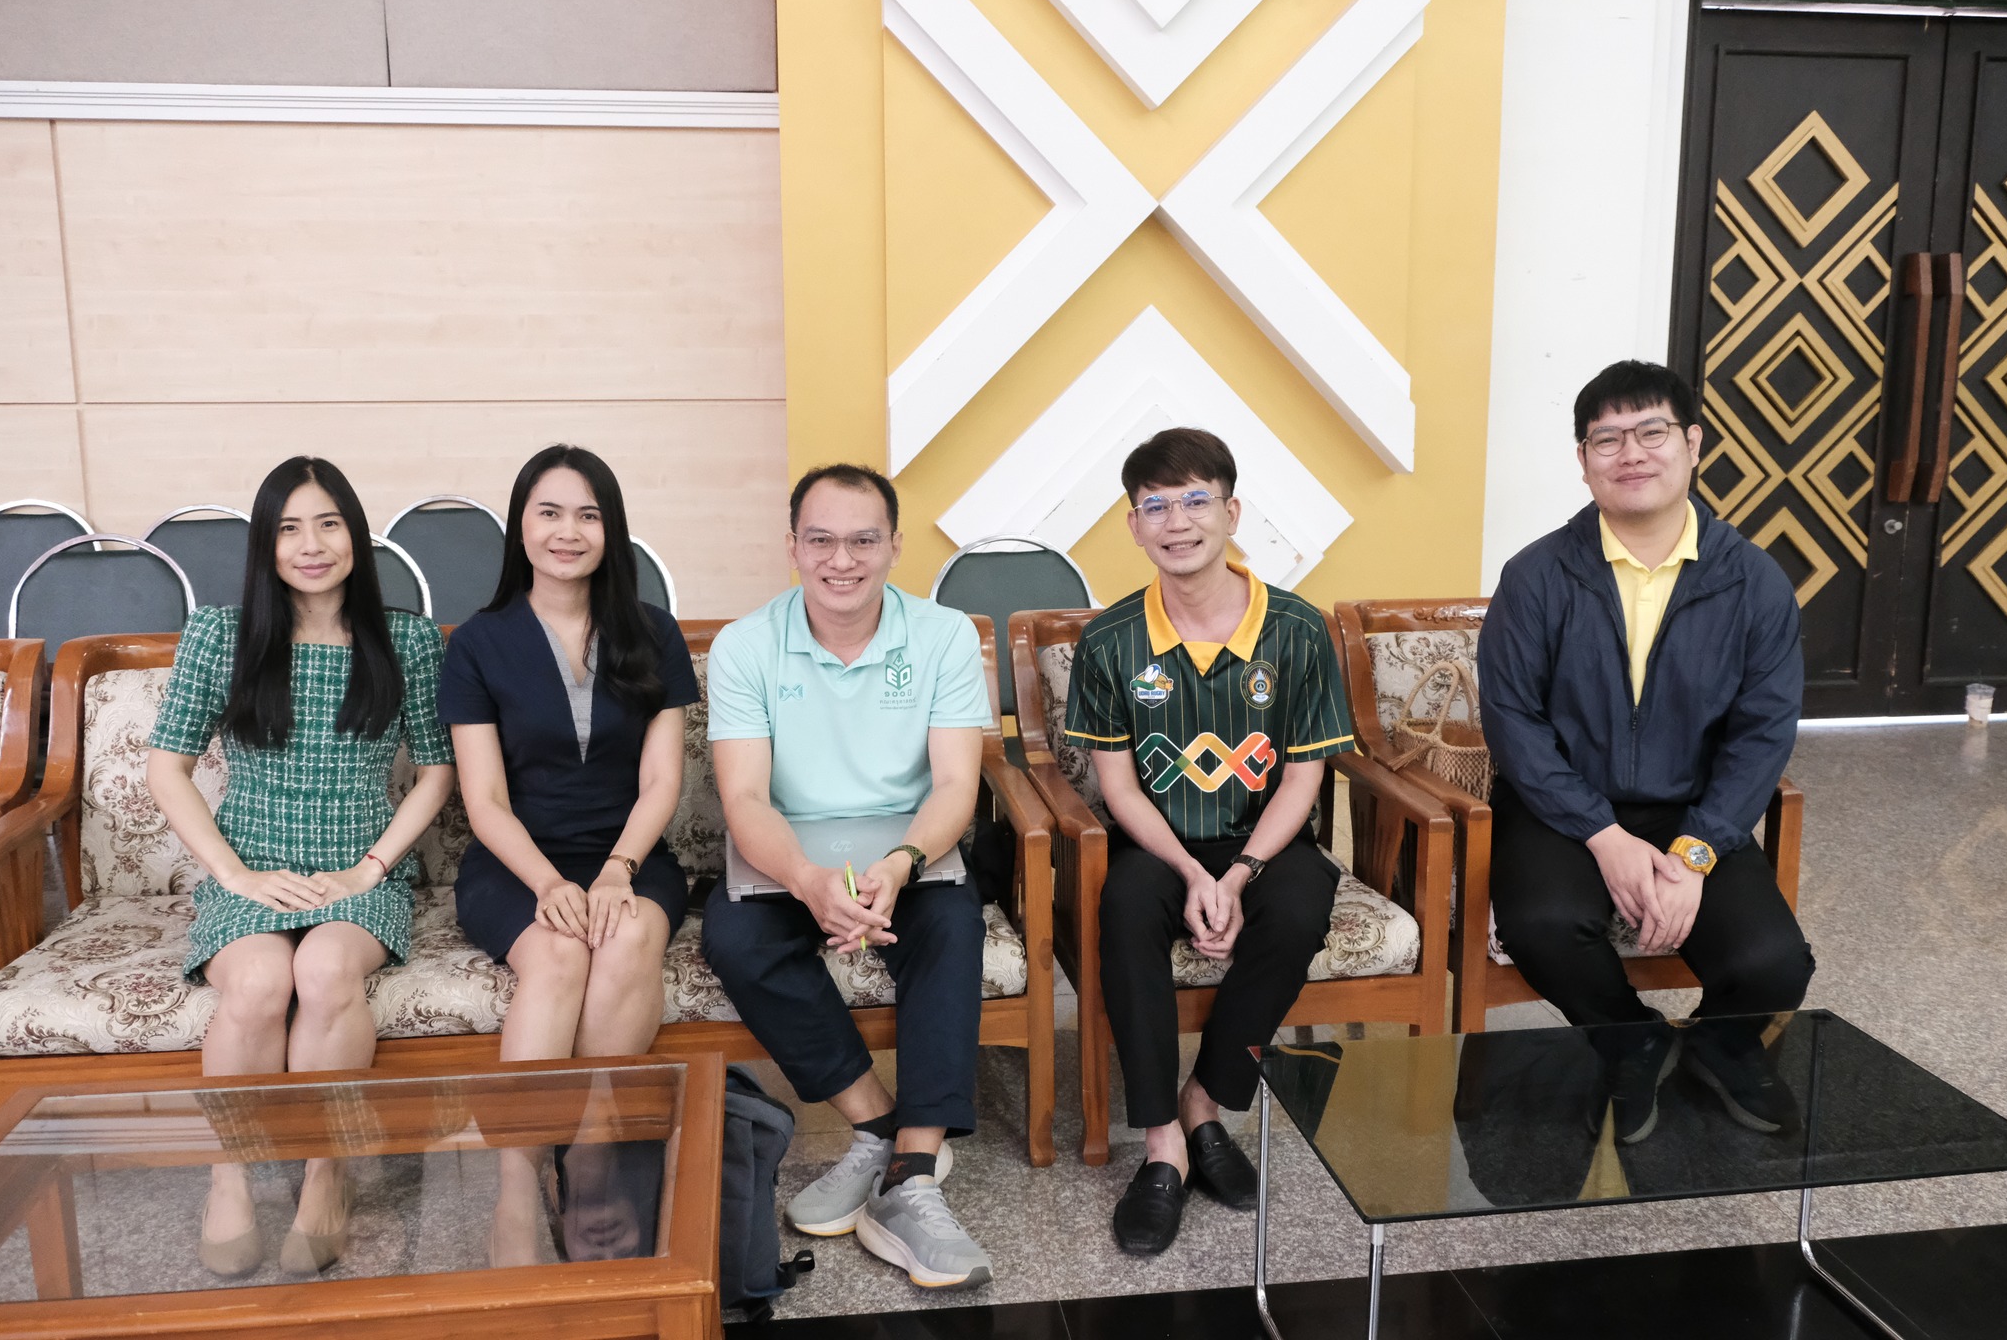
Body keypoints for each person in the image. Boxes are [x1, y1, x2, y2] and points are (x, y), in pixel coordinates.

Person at [1479, 359, 1815, 1145]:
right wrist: (1603, 835)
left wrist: (1694, 853)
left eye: (1651, 432)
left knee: (1775, 963)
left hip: (1691, 809)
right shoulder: (1536, 576)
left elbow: (1762, 733)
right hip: (1562, 807)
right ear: (1583, 460)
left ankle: (1721, 1048)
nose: (1630, 453)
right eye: (1607, 439)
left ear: (1693, 443)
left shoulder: (1754, 582)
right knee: (1543, 923)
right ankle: (1629, 1039)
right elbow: (1513, 721)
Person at [147, 456, 455, 1279]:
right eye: (289, 529)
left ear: (355, 534)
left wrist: (370, 869)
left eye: (328, 524)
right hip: (253, 867)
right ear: (266, 544)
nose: (311, 545)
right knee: (256, 984)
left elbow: (437, 770)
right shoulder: (221, 633)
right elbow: (167, 766)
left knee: (323, 972)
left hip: (359, 873)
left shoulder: (408, 640)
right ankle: (230, 1179)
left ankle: (327, 1174)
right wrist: (235, 876)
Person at [1063, 428, 1356, 1256]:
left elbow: (1302, 777)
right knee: (1125, 907)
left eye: (1196, 500)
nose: (1177, 521)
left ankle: (1207, 1103)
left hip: (1266, 840)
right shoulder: (1110, 641)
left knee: (1297, 908)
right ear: (1133, 526)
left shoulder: (1297, 630)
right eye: (1155, 506)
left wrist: (1242, 871)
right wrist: (1194, 872)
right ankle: (1163, 1143)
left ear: (1232, 512)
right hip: (1159, 844)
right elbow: (1119, 788)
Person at [702, 464, 994, 1291]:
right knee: (737, 937)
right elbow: (745, 798)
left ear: (894, 545)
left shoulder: (943, 636)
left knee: (952, 925)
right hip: (790, 852)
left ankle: (912, 1177)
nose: (842, 560)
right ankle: (878, 1127)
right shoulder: (746, 645)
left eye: (864, 540)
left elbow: (955, 785)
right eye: (821, 540)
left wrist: (902, 862)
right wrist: (805, 878)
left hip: (908, 847)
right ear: (792, 546)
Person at [438, 444, 697, 1264]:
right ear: (520, 527)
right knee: (555, 955)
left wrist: (619, 869)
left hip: (630, 853)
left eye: (588, 514)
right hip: (517, 861)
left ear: (610, 529)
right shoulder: (477, 643)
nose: (568, 531)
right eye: (549, 512)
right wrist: (549, 882)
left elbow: (662, 781)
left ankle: (589, 1160)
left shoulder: (653, 632)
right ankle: (518, 1183)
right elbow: (484, 800)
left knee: (626, 937)